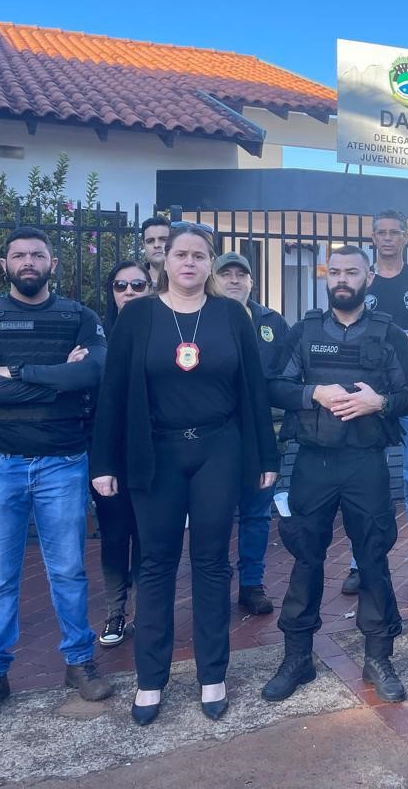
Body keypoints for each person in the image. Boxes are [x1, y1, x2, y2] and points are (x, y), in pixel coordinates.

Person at [91, 222, 278, 726]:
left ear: (209, 263)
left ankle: (212, 674)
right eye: (181, 254)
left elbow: (253, 389)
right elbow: (112, 392)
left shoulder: (231, 315)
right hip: (156, 453)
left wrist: (266, 457)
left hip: (219, 449)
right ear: (164, 261)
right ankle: (151, 679)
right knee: (155, 564)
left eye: (199, 255)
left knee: (213, 562)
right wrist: (103, 463)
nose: (190, 263)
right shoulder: (138, 316)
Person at [0, 227, 113, 724]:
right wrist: (56, 376)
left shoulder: (81, 317)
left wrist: (17, 372)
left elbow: (92, 374)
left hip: (62, 462)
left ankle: (79, 662)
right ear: (4, 264)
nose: (28, 261)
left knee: (68, 570)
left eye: (37, 254)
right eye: (19, 255)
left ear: (53, 263)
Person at [262, 246, 408, 704]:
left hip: (366, 462)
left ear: (369, 277)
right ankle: (297, 658)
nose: (343, 279)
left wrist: (380, 402)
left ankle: (378, 657)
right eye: (336, 272)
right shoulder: (305, 331)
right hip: (314, 462)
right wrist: (314, 393)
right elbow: (276, 387)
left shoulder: (389, 334)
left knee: (373, 558)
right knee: (305, 557)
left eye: (352, 271)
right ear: (326, 277)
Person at [351, 209, 408, 597]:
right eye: (381, 233)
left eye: (395, 232)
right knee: (361, 479)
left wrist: (404, 340)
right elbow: (347, 328)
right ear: (373, 238)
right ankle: (360, 562)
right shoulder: (363, 278)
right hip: (366, 394)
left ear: (406, 237)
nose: (387, 238)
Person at [214, 251, 290, 616]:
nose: (233, 280)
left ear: (251, 281)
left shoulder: (272, 322)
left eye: (240, 274)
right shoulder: (202, 318)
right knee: (214, 513)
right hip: (217, 438)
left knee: (257, 514)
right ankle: (214, 582)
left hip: (263, 436)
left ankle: (251, 584)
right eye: (225, 274)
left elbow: (289, 373)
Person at [93, 261, 150, 648]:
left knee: (148, 535)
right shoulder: (98, 336)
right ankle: (116, 611)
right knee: (114, 536)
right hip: (110, 454)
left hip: (152, 454)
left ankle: (146, 612)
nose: (128, 291)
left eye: (137, 284)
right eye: (120, 285)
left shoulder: (164, 329)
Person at [140, 216, 170, 289]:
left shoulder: (185, 280)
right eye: (150, 241)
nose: (157, 245)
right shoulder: (133, 281)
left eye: (163, 239)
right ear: (143, 246)